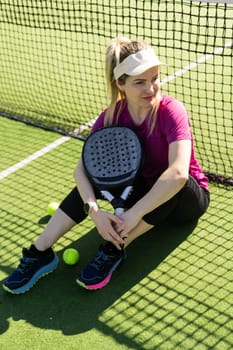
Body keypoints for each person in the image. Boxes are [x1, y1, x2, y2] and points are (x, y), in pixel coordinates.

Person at [2, 36, 210, 294]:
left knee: (171, 182)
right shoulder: (112, 115)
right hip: (141, 189)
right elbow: (82, 169)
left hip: (186, 200)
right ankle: (40, 251)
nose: (152, 88)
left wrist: (132, 214)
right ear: (120, 84)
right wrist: (94, 211)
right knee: (98, 177)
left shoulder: (171, 110)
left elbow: (178, 173)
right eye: (140, 82)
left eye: (155, 78)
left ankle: (115, 247)